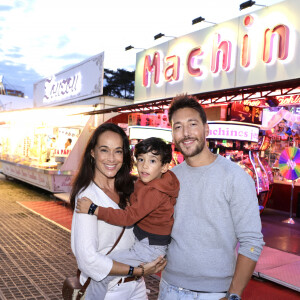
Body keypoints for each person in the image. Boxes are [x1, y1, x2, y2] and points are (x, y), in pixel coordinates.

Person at [158, 95, 265, 300]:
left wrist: (233, 294)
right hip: (168, 287)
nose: (186, 133)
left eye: (192, 124)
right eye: (178, 126)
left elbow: (252, 241)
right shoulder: (170, 178)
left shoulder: (236, 177)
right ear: (172, 134)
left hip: (214, 293)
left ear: (206, 129)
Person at [70, 123, 166, 300]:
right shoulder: (88, 197)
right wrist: (137, 270)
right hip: (109, 290)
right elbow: (87, 259)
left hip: (136, 286)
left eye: (118, 151)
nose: (112, 158)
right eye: (104, 150)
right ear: (93, 153)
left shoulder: (131, 188)